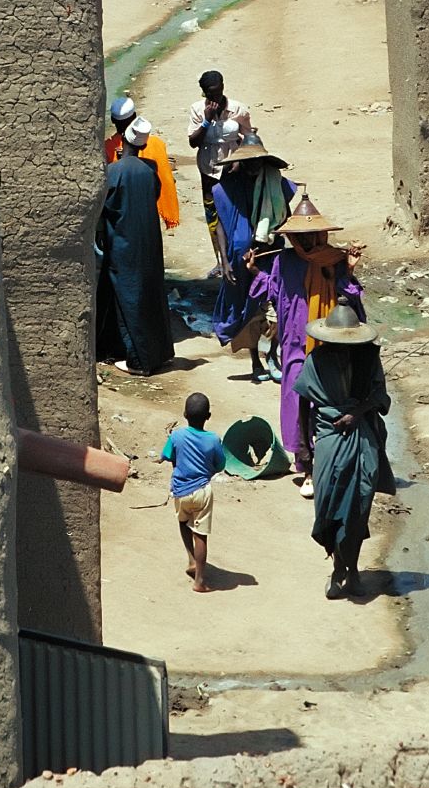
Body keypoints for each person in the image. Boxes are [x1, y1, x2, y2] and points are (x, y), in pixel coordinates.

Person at [247, 193, 365, 498]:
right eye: (300, 236)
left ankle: (328, 461)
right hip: (295, 344)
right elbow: (272, 293)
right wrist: (255, 272)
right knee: (298, 402)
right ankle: (306, 464)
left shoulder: (336, 261)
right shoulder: (284, 262)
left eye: (311, 235)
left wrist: (349, 271)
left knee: (326, 405)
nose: (307, 241)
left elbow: (351, 302)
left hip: (329, 345)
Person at [295, 298, 395, 600]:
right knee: (328, 505)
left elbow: (380, 396)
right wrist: (305, 448)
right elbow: (302, 403)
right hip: (327, 439)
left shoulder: (368, 359)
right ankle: (339, 566)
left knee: (357, 508)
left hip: (362, 438)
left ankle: (350, 571)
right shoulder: (315, 361)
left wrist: (358, 411)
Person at [96, 116, 174, 376]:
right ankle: (160, 354)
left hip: (123, 244)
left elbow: (102, 209)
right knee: (151, 297)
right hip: (149, 243)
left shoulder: (113, 172)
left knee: (128, 300)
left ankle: (138, 361)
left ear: (123, 142)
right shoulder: (149, 169)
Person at [212, 134, 295, 379]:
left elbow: (287, 219)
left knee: (277, 306)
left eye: (257, 161)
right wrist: (224, 262)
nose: (253, 166)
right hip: (239, 260)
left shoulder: (277, 184)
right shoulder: (228, 186)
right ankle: (255, 362)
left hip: (271, 254)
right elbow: (220, 225)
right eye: (248, 161)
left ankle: (272, 353)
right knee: (248, 310)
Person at [160, 392, 226, 594]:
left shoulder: (177, 435)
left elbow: (166, 455)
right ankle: (199, 581)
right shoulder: (213, 439)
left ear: (184, 414)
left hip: (180, 491)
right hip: (202, 491)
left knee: (183, 522)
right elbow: (221, 464)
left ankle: (191, 559)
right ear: (209, 416)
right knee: (201, 535)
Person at [187, 70, 252, 270]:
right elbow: (193, 142)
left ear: (223, 87)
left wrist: (240, 159)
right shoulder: (197, 110)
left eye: (217, 92)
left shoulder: (238, 109)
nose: (214, 97)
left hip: (233, 168)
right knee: (213, 215)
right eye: (209, 94)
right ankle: (220, 259)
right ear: (203, 93)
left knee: (235, 210)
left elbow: (251, 139)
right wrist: (207, 120)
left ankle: (238, 254)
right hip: (209, 170)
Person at [105, 96, 180, 230]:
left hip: (120, 215)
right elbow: (164, 181)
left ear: (112, 120)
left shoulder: (106, 148)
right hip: (149, 211)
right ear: (134, 117)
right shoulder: (155, 145)